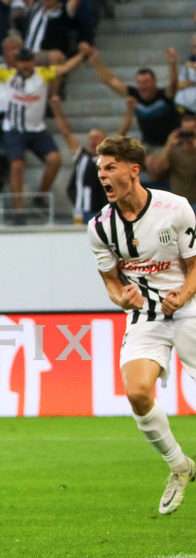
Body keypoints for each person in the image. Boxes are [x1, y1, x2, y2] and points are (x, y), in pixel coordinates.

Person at [87, 135, 196, 515]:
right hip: (145, 315)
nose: (102, 175)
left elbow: (195, 266)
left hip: (189, 308)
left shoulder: (175, 208)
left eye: (110, 167)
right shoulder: (100, 227)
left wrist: (182, 294)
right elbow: (112, 283)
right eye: (100, 169)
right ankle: (179, 466)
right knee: (136, 392)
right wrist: (122, 298)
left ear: (134, 170)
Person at [0, 39, 91, 216]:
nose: (25, 65)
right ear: (16, 63)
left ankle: (40, 195)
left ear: (33, 61)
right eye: (22, 61)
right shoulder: (8, 75)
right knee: (17, 164)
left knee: (54, 159)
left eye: (28, 61)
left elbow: (65, 68)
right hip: (14, 128)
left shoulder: (42, 74)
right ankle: (19, 209)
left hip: (36, 128)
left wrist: (82, 54)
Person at [49, 94, 105, 223]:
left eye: (97, 138)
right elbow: (66, 134)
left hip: (102, 212)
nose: (93, 141)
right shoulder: (82, 156)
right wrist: (56, 110)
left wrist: (129, 113)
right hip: (81, 211)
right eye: (91, 138)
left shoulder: (108, 159)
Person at [148, 115, 196, 211]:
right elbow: (157, 172)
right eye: (185, 131)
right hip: (179, 203)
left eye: (191, 131)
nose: (187, 135)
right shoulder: (172, 151)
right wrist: (169, 143)